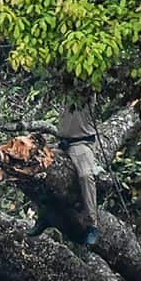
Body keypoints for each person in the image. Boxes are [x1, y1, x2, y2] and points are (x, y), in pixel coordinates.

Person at [29, 100, 101, 246]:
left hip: (81, 144)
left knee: (86, 176)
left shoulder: (85, 89)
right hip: (63, 143)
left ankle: (92, 225)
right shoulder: (63, 85)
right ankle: (45, 214)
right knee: (36, 165)